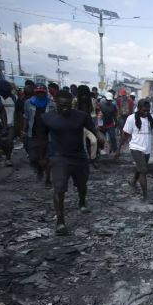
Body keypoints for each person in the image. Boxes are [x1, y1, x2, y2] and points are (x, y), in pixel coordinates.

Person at [39, 90, 104, 235]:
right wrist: (42, 157)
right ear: (55, 102)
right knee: (59, 188)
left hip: (79, 156)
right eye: (62, 105)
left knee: (82, 184)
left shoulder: (81, 116)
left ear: (72, 103)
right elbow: (42, 139)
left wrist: (99, 136)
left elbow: (93, 128)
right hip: (59, 157)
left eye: (68, 105)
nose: (65, 108)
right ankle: (60, 221)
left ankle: (81, 201)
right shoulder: (47, 118)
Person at [117, 99, 153, 201]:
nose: (146, 113)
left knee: (141, 167)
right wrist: (118, 149)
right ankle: (145, 196)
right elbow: (125, 134)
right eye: (144, 110)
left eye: (148, 110)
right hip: (135, 147)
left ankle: (133, 181)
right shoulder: (131, 118)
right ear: (138, 109)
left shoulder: (151, 118)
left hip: (147, 148)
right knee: (143, 170)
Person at [23, 84, 56, 185]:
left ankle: (47, 178)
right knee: (33, 157)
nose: (40, 94)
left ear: (45, 93)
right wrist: (24, 131)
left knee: (48, 157)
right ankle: (39, 170)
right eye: (38, 92)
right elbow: (26, 117)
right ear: (35, 93)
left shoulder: (51, 104)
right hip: (33, 134)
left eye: (42, 92)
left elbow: (55, 119)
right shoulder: (28, 103)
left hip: (47, 134)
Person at [0, 80, 15, 167]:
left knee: (9, 142)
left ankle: (8, 159)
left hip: (10, 124)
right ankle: (1, 154)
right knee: (1, 143)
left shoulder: (14, 98)